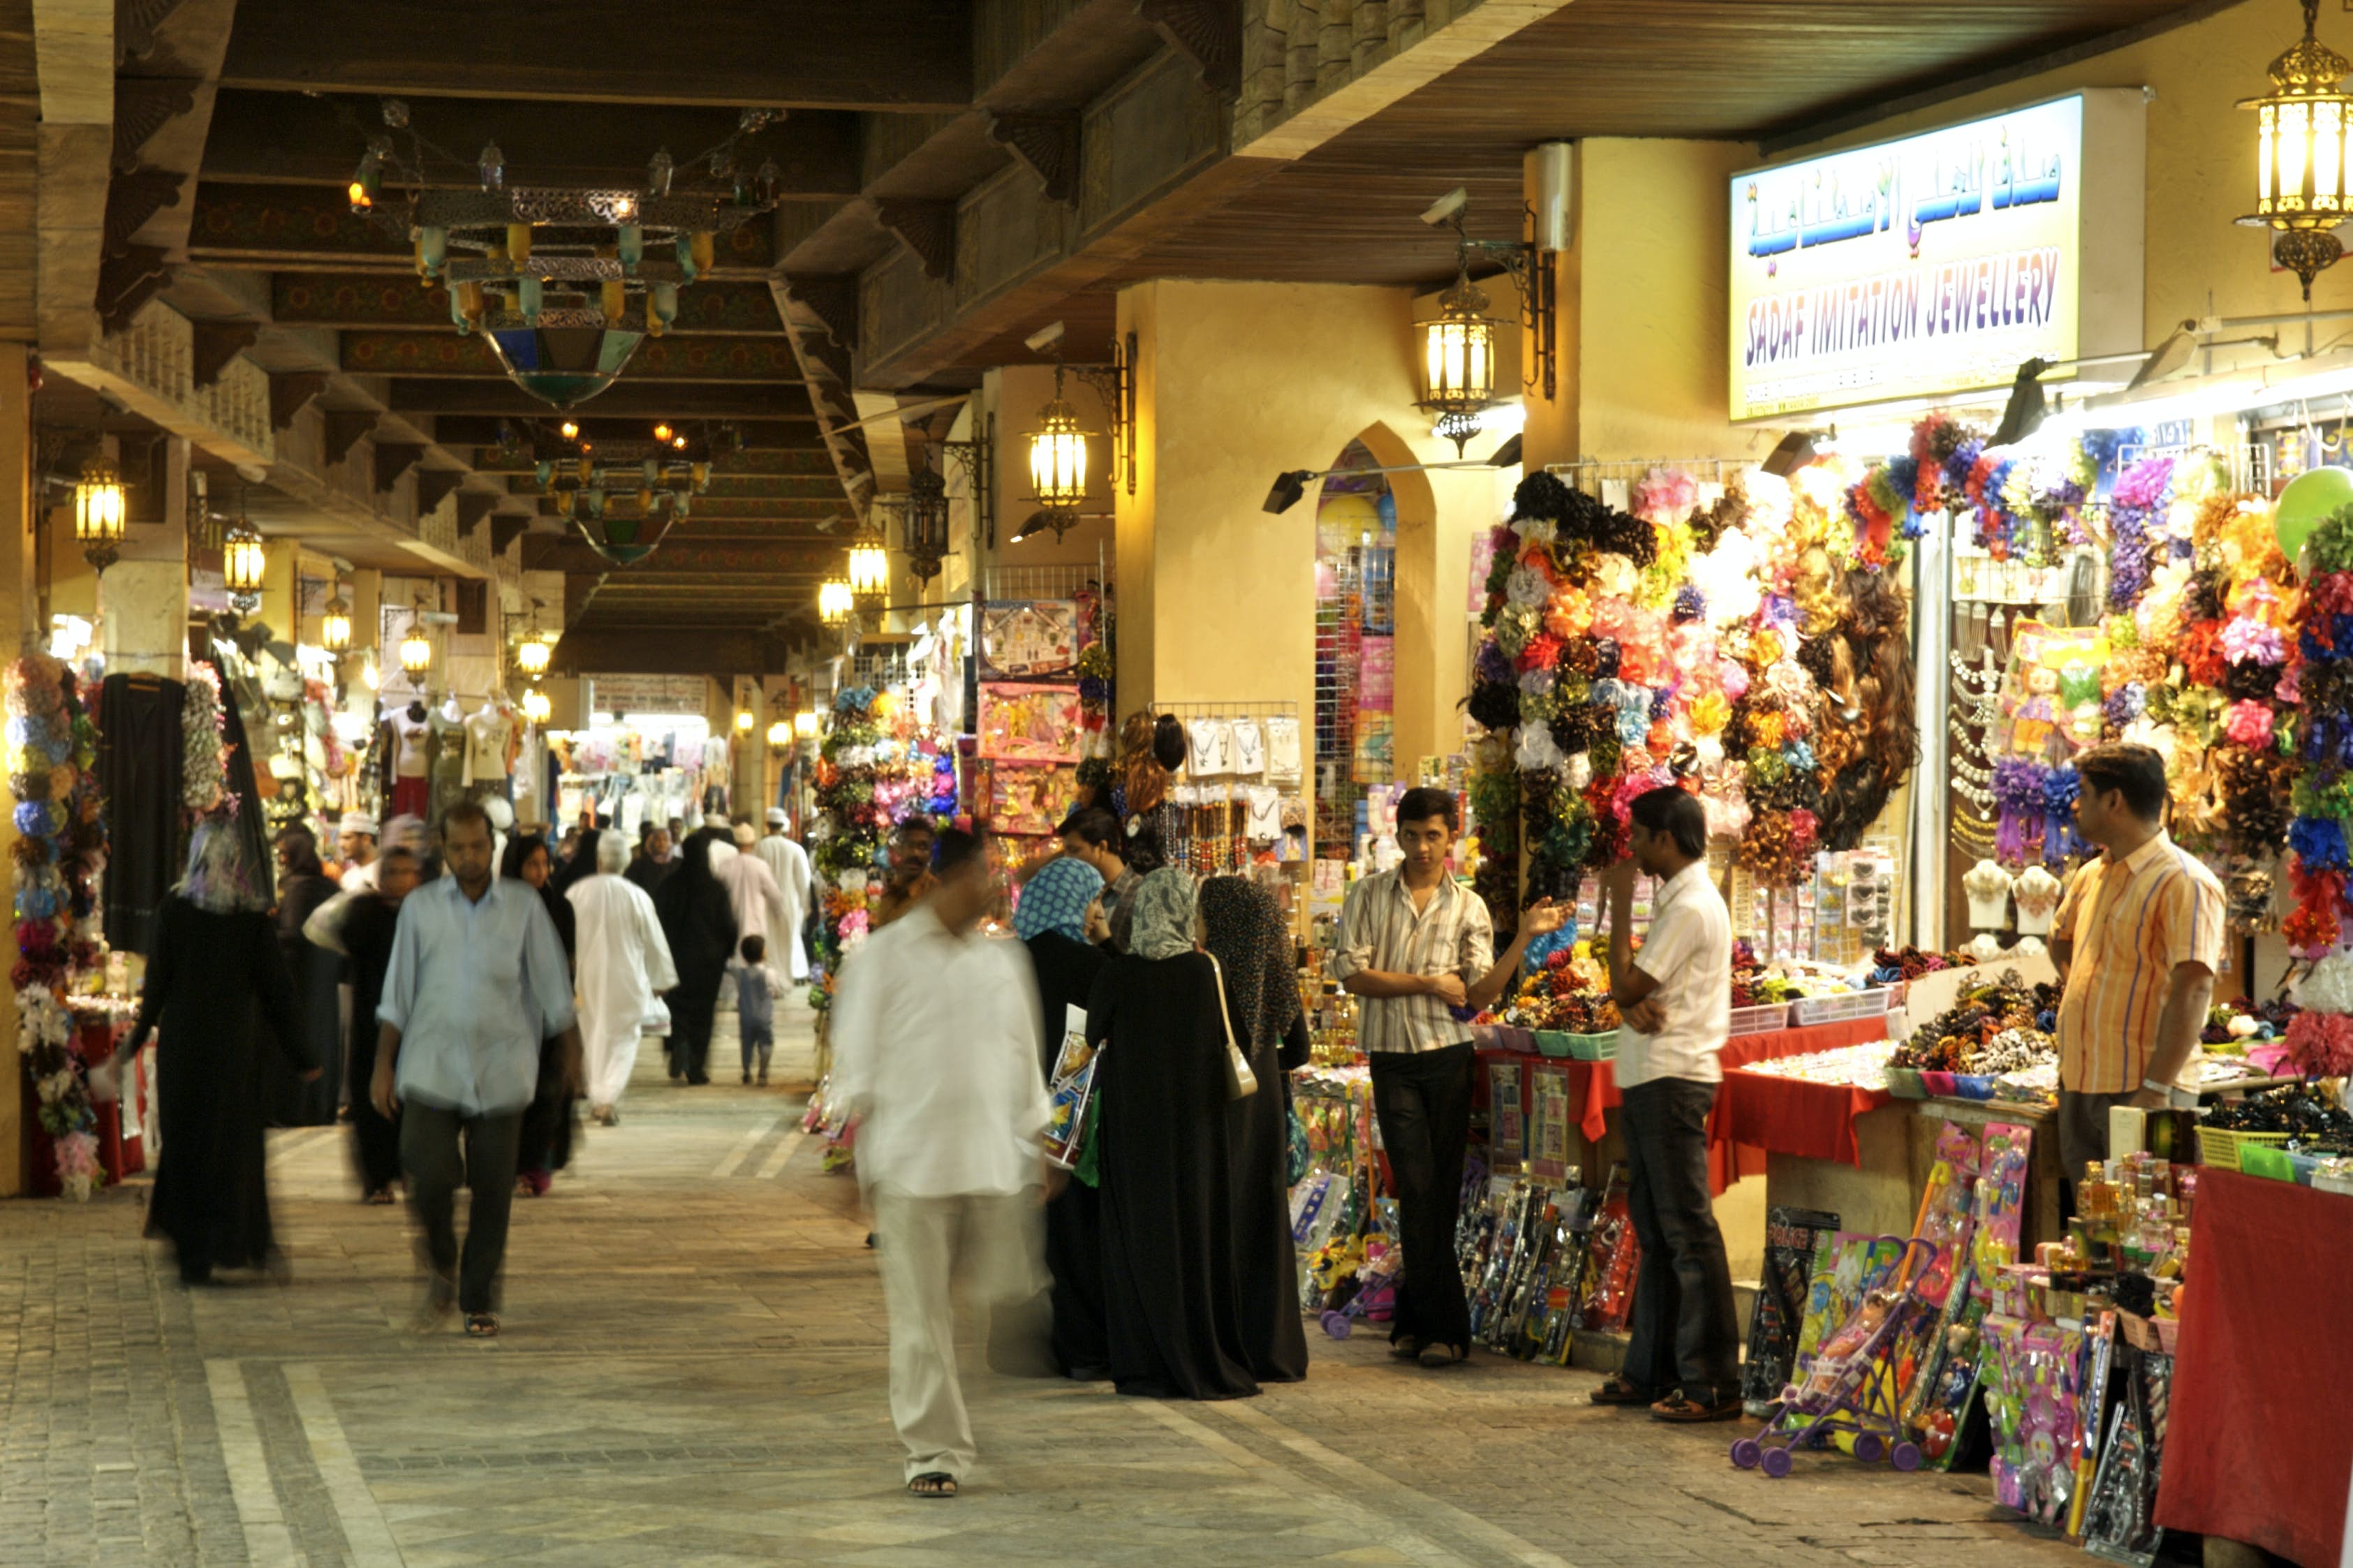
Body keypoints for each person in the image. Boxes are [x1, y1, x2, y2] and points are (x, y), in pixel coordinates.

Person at [831, 827, 1051, 1499]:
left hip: (987, 1162)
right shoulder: (884, 959)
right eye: (982, 873)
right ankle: (934, 1451)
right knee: (922, 1318)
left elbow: (1022, 1059)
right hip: (912, 1167)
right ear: (953, 879)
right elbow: (856, 1058)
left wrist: (1042, 1144)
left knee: (1005, 1294)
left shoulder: (1000, 964)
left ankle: (954, 1412)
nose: (990, 885)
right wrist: (853, 1157)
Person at [1331, 786, 1563, 1368]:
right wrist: (1430, 982)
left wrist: (1525, 938)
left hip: (1448, 1057)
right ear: (1398, 834)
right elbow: (1353, 975)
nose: (1421, 847)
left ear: (1451, 837)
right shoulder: (1367, 895)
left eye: (1433, 836)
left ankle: (1418, 1319)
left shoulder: (1470, 907)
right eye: (1411, 835)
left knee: (1436, 1192)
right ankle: (1447, 1327)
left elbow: (1481, 994)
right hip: (1391, 1057)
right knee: (1415, 1185)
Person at [371, 801, 581, 1338]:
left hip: (502, 1066)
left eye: (479, 846)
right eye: (459, 847)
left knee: (492, 1187)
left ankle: (477, 1296)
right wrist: (383, 1064)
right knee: (428, 1168)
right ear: (445, 849)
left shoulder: (523, 907)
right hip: (431, 1064)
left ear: (494, 847)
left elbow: (554, 990)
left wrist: (572, 1055)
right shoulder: (421, 909)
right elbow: (398, 993)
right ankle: (441, 1259)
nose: (470, 857)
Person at [1592, 785, 1741, 1423]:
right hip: (1654, 1076)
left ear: (1666, 840)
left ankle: (1712, 1384)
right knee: (1657, 1231)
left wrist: (1621, 905)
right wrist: (1628, 1001)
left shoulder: (1691, 906)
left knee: (1687, 1232)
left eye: (1639, 837)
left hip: (1674, 1078)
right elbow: (1632, 992)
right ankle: (1651, 1369)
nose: (1632, 849)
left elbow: (1628, 982)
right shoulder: (1681, 900)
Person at [1085, 868, 1260, 1399]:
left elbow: (1089, 1039)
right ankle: (1201, 1350)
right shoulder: (1206, 971)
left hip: (1135, 1133)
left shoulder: (1119, 974)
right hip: (1199, 1134)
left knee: (1139, 1239)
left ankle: (1144, 1361)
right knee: (1195, 1233)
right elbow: (1242, 1044)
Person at [124, 820, 316, 1285]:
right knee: (228, 1149)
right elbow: (278, 992)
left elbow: (158, 989)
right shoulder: (249, 917)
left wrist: (132, 1043)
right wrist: (303, 1054)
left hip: (190, 1050)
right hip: (231, 1050)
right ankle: (228, 1242)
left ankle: (197, 1251)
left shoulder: (177, 909)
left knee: (191, 1145)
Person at [2050, 742, 2222, 1190]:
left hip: (2145, 1091)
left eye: (2084, 792)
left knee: (2149, 1238)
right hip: (2081, 1085)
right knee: (2093, 1238)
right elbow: (2060, 941)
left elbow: (2194, 989)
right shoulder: (2093, 874)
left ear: (2114, 801)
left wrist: (2156, 1088)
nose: (2075, 804)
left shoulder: (2184, 881)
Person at [1200, 875, 1311, 1384]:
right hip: (1263, 1093)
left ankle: (1226, 1341)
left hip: (1219, 1101)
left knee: (1221, 1212)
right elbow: (1302, 1051)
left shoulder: (1206, 977)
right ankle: (1273, 1347)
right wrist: (1267, 1055)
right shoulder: (1274, 978)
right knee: (1264, 1215)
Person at [1013, 854, 1112, 1377]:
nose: (1097, 912)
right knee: (1076, 1236)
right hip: (1074, 1122)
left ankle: (1018, 1351)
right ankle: (1083, 1350)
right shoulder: (1091, 966)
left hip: (1014, 1117)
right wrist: (1106, 939)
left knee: (1024, 1234)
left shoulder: (1012, 958)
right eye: (1094, 900)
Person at [304, 845, 422, 1203]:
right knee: (370, 1101)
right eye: (394, 872)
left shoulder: (424, 915)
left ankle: (411, 1170)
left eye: (407, 872)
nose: (401, 880)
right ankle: (377, 1178)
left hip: (416, 1022)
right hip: (371, 1019)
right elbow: (321, 930)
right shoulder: (364, 912)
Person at [568, 831, 677, 1125]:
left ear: (599, 859)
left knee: (592, 1036)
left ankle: (598, 1095)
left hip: (587, 978)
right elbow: (654, 941)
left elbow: (562, 936)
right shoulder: (636, 895)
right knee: (624, 1038)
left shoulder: (577, 892)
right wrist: (661, 980)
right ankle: (607, 1097)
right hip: (627, 979)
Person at [506, 831, 577, 1197]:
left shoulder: (559, 907)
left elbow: (567, 963)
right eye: (531, 864)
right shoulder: (498, 906)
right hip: (508, 1015)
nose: (539, 871)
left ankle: (535, 1165)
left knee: (546, 1092)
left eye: (543, 864)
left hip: (548, 1015)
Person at [653, 827, 738, 1085]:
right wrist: (728, 952)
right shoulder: (716, 889)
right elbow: (729, 926)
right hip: (708, 965)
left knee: (676, 1008)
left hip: (675, 960)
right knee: (703, 1014)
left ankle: (678, 1043)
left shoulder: (668, 886)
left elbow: (658, 924)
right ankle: (696, 1066)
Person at [273, 825, 343, 1126]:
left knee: (301, 1038)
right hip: (325, 977)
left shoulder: (298, 888)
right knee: (324, 1037)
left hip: (301, 980)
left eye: (284, 854)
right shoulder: (327, 886)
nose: (281, 860)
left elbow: (292, 936)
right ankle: (321, 1105)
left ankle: (299, 1108)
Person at [717, 821, 790, 988]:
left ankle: (736, 993)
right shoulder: (760, 865)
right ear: (753, 843)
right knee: (754, 958)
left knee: (735, 958)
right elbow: (774, 893)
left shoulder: (724, 867)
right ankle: (755, 992)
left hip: (731, 920)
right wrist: (779, 912)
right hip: (755, 921)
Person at [755, 807, 815, 981]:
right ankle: (794, 972)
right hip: (790, 900)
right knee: (791, 935)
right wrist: (805, 904)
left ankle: (772, 974)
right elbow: (803, 880)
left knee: (770, 937)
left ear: (768, 825)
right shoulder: (795, 849)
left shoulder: (761, 847)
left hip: (766, 901)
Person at [732, 933, 784, 1086]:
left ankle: (747, 1071)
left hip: (746, 1017)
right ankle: (763, 1070)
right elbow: (776, 990)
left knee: (746, 1044)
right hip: (764, 1017)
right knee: (766, 1043)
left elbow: (727, 969)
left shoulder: (740, 973)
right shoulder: (769, 973)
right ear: (763, 952)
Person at [871, 818, 938, 929]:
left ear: (930, 854)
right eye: (910, 845)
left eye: (922, 847)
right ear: (899, 849)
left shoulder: (936, 896)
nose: (915, 853)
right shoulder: (888, 897)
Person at [626, 824, 677, 896]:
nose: (661, 843)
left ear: (670, 842)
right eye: (657, 839)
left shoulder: (679, 863)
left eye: (665, 839)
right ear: (651, 842)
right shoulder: (639, 865)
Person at [338, 812, 381, 892]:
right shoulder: (348, 878)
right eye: (340, 839)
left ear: (366, 839)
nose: (341, 844)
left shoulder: (386, 873)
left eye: (347, 838)